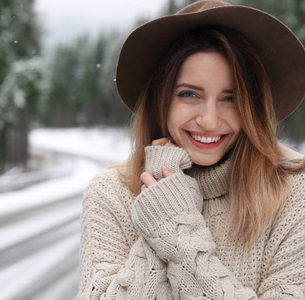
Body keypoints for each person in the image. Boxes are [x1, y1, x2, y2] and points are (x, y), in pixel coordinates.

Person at [78, 1, 305, 299]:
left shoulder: (292, 195)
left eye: (231, 98)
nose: (209, 120)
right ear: (160, 98)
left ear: (253, 107)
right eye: (189, 94)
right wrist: (161, 194)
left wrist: (175, 226)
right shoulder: (110, 194)